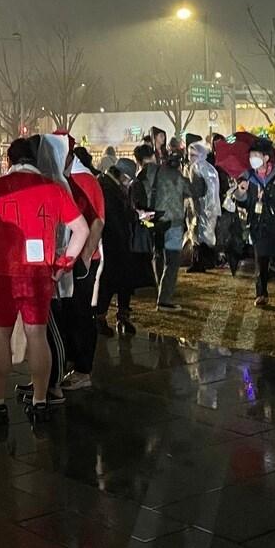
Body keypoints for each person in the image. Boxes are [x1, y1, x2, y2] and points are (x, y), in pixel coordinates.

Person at [0, 136, 89, 424]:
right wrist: (64, 263)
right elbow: (80, 229)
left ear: (9, 160)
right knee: (37, 336)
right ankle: (40, 400)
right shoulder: (53, 188)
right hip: (37, 275)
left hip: (2, 275)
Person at [56, 143, 104, 393]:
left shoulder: (84, 180)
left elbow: (97, 221)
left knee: (81, 314)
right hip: (71, 258)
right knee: (69, 315)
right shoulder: (66, 178)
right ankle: (71, 366)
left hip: (81, 259)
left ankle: (83, 369)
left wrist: (85, 258)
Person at [233, 137, 275, 309]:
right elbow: (243, 202)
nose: (252, 159)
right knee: (261, 261)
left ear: (266, 158)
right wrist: (241, 192)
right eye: (251, 156)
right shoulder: (248, 177)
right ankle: (261, 294)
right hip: (259, 224)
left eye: (256, 155)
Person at [94, 159, 147, 336]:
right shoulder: (108, 188)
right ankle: (103, 317)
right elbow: (116, 216)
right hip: (113, 242)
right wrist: (134, 217)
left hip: (116, 241)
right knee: (110, 281)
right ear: (122, 175)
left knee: (121, 281)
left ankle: (120, 316)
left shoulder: (107, 184)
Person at [148, 143, 190, 310]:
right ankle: (164, 299)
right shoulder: (179, 177)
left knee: (158, 257)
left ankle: (160, 289)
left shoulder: (155, 173)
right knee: (172, 262)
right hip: (174, 224)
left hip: (157, 222)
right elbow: (194, 191)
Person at [187, 141, 221, 272]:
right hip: (200, 207)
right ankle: (201, 262)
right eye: (190, 155)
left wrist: (207, 207)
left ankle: (202, 262)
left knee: (203, 236)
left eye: (194, 155)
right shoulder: (201, 167)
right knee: (199, 235)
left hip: (204, 208)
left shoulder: (201, 168)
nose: (191, 157)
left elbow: (210, 190)